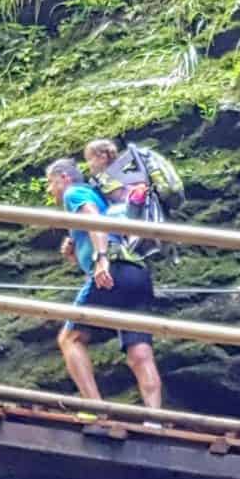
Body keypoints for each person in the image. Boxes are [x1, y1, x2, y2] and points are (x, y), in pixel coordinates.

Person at [48, 158, 165, 410]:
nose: (50, 190)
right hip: (137, 272)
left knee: (70, 339)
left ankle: (94, 409)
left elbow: (93, 219)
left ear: (65, 178)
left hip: (113, 268)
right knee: (139, 352)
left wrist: (101, 259)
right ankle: (155, 419)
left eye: (51, 182)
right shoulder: (105, 200)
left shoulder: (74, 192)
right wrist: (74, 249)